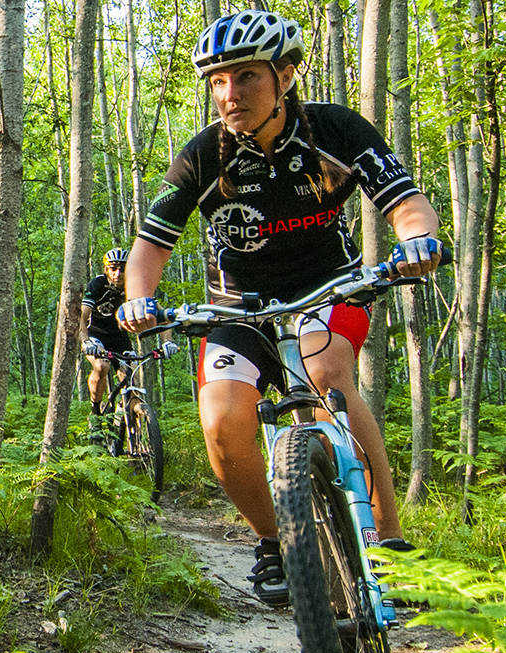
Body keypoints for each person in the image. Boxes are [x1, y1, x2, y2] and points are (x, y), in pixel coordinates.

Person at [115, 9, 442, 607]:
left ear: (285, 76)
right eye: (216, 80)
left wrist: (416, 240)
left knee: (328, 377)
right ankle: (277, 540)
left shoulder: (336, 131)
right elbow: (150, 246)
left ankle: (388, 543)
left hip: (331, 289)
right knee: (220, 421)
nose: (229, 93)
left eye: (245, 77)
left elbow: (406, 201)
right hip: (236, 308)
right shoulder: (201, 156)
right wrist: (138, 299)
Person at [81, 248, 134, 417]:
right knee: (101, 366)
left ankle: (123, 412)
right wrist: (85, 341)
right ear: (106, 269)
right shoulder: (97, 284)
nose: (118, 273)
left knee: (133, 372)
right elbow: (81, 318)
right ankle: (95, 411)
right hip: (96, 335)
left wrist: (167, 342)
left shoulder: (133, 286)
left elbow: (159, 314)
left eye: (122, 268)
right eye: (113, 268)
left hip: (119, 338)